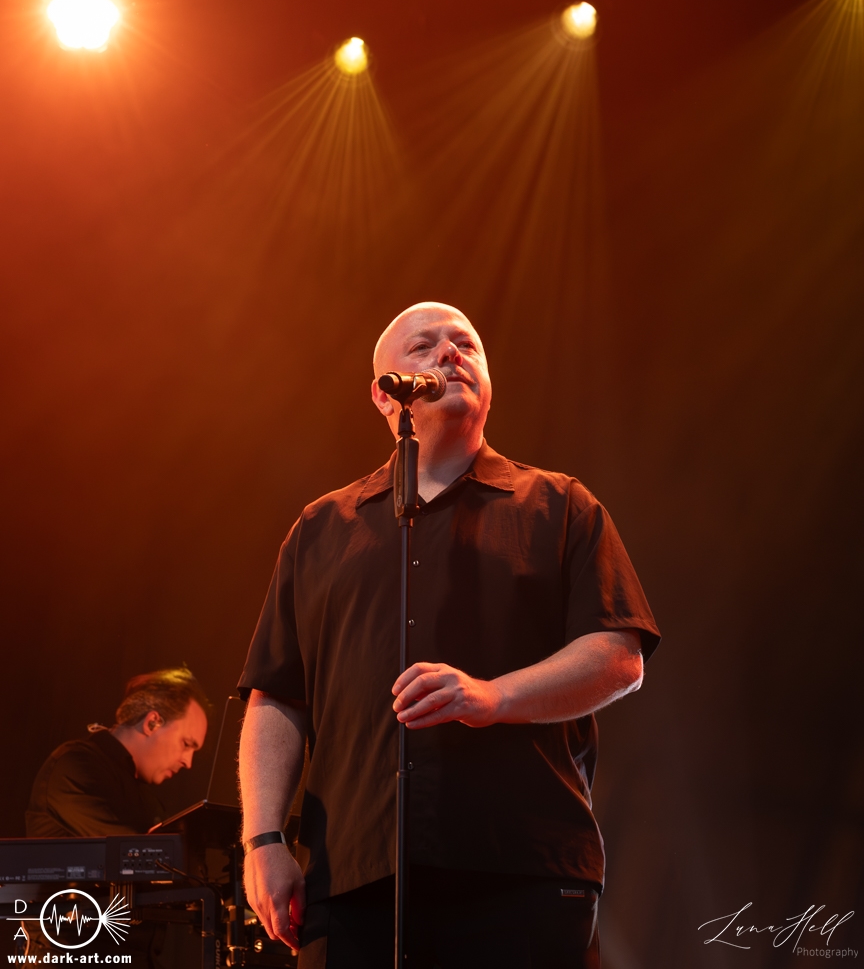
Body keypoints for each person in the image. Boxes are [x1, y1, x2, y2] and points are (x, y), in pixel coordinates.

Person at [238, 302, 661, 969]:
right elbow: (277, 696)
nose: (450, 353)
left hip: (521, 874)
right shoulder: (320, 529)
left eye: (466, 344)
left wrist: (492, 697)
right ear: (385, 395)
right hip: (352, 880)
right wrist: (263, 841)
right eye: (423, 346)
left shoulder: (560, 507)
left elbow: (617, 655)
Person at [26, 666, 210, 838]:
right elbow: (134, 850)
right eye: (186, 744)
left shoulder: (146, 798)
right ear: (152, 723)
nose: (188, 762)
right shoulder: (73, 767)